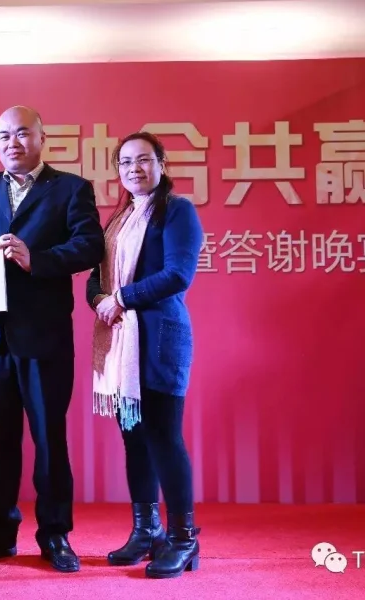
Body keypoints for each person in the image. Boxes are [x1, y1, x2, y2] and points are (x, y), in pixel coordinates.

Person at [0, 106, 104, 573]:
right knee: (0, 438)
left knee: (48, 438)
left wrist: (34, 258)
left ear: (41, 138)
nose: (12, 143)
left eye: (21, 133)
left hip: (44, 336)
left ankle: (55, 533)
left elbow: (89, 245)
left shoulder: (71, 188)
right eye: (3, 135)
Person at [86, 131, 203, 578]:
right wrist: (101, 299)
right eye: (125, 162)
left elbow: (178, 274)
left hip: (159, 341)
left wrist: (121, 298)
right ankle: (147, 530)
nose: (134, 169)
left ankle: (183, 538)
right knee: (134, 438)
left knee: (163, 437)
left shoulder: (177, 210)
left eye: (143, 160)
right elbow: (95, 279)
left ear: (161, 164)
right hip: (121, 344)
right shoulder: (118, 220)